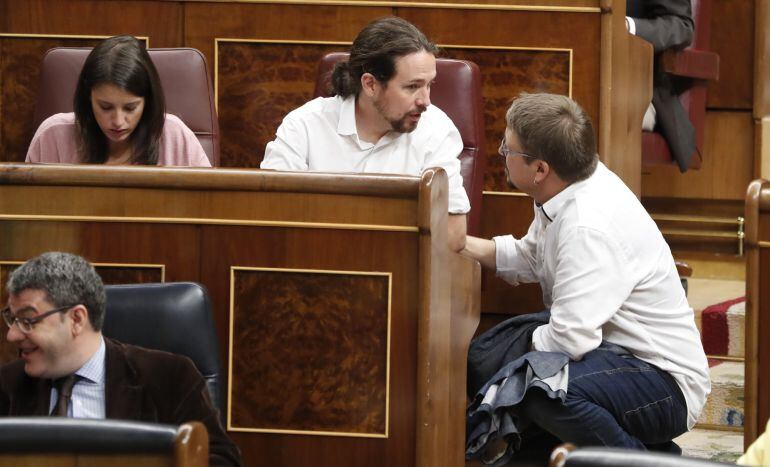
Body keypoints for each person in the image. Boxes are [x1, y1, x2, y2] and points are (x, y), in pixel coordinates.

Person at [462, 93, 710, 456]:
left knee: (537, 388)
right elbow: (532, 256)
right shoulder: (568, 185)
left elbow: (570, 340)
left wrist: (511, 366)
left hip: (662, 383)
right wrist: (460, 244)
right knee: (498, 360)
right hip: (610, 358)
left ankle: (645, 463)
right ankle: (655, 453)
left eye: (508, 149)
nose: (502, 153)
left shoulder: (587, 225)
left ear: (540, 169)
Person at [0, 252, 241, 466]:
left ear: (76, 320)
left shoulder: (170, 377)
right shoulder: (7, 385)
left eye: (28, 321)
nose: (12, 335)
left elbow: (222, 460)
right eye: (12, 319)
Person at [260, 17, 470, 251]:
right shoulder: (304, 126)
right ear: (370, 84)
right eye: (412, 87)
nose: (425, 101)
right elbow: (270, 216)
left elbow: (454, 233)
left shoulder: (436, 129)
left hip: (399, 278)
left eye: (429, 85)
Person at [26, 35, 211, 167]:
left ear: (147, 102)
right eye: (105, 107)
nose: (117, 121)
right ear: (88, 98)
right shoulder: (52, 136)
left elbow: (206, 206)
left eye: (130, 108)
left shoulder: (175, 136)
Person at [626, 0, 696, 171]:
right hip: (559, 82)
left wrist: (628, 27)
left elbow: (681, 26)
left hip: (633, 88)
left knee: (575, 116)